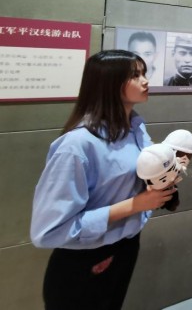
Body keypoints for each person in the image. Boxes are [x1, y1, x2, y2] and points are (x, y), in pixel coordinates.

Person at [30, 50, 174, 310]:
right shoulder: (77, 146)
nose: (145, 81)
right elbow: (48, 231)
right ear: (109, 83)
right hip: (85, 262)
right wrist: (136, 205)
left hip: (125, 247)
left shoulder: (135, 127)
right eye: (135, 75)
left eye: (144, 73)